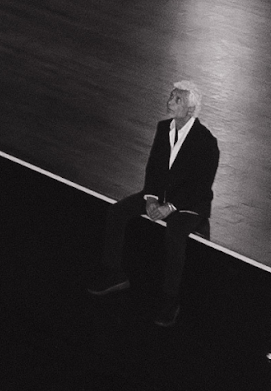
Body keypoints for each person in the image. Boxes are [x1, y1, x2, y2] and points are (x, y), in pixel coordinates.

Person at [87, 80, 220, 326]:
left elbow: (200, 187)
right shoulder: (163, 129)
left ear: (190, 110)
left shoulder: (206, 142)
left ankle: (170, 299)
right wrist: (151, 198)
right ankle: (113, 273)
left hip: (188, 204)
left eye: (176, 99)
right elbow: (154, 168)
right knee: (117, 212)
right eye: (171, 97)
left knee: (175, 234)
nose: (169, 102)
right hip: (161, 197)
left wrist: (169, 207)